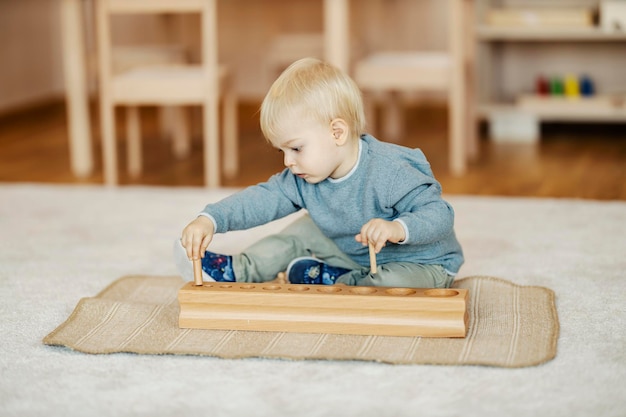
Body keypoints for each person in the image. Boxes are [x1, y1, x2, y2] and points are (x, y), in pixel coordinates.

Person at [175, 57, 463, 288]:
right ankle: (238, 269)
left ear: (337, 132)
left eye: (296, 149)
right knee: (303, 229)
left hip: (422, 263)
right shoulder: (303, 178)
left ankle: (335, 280)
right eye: (282, 151)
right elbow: (261, 199)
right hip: (353, 251)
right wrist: (211, 220)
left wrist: (397, 229)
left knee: (392, 285)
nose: (288, 161)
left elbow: (440, 215)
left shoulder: (390, 170)